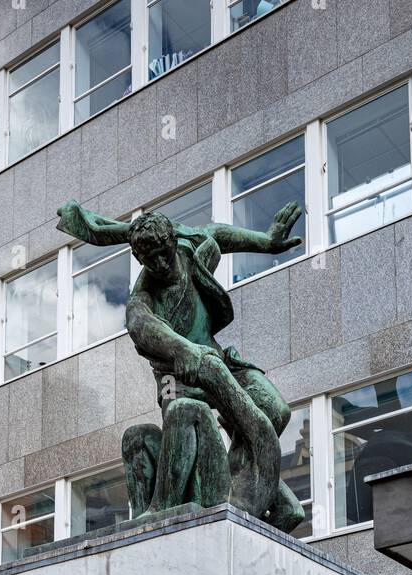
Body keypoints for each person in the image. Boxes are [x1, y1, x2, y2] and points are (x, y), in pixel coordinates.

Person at [55, 199, 306, 532]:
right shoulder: (141, 304)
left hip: (218, 361)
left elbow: (217, 233)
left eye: (163, 253)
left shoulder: (191, 253)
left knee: (276, 411)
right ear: (137, 258)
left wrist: (266, 241)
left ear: (172, 242)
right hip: (181, 380)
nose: (159, 263)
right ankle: (175, 502)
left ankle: (243, 483)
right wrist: (183, 348)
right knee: (185, 412)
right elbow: (149, 331)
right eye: (149, 258)